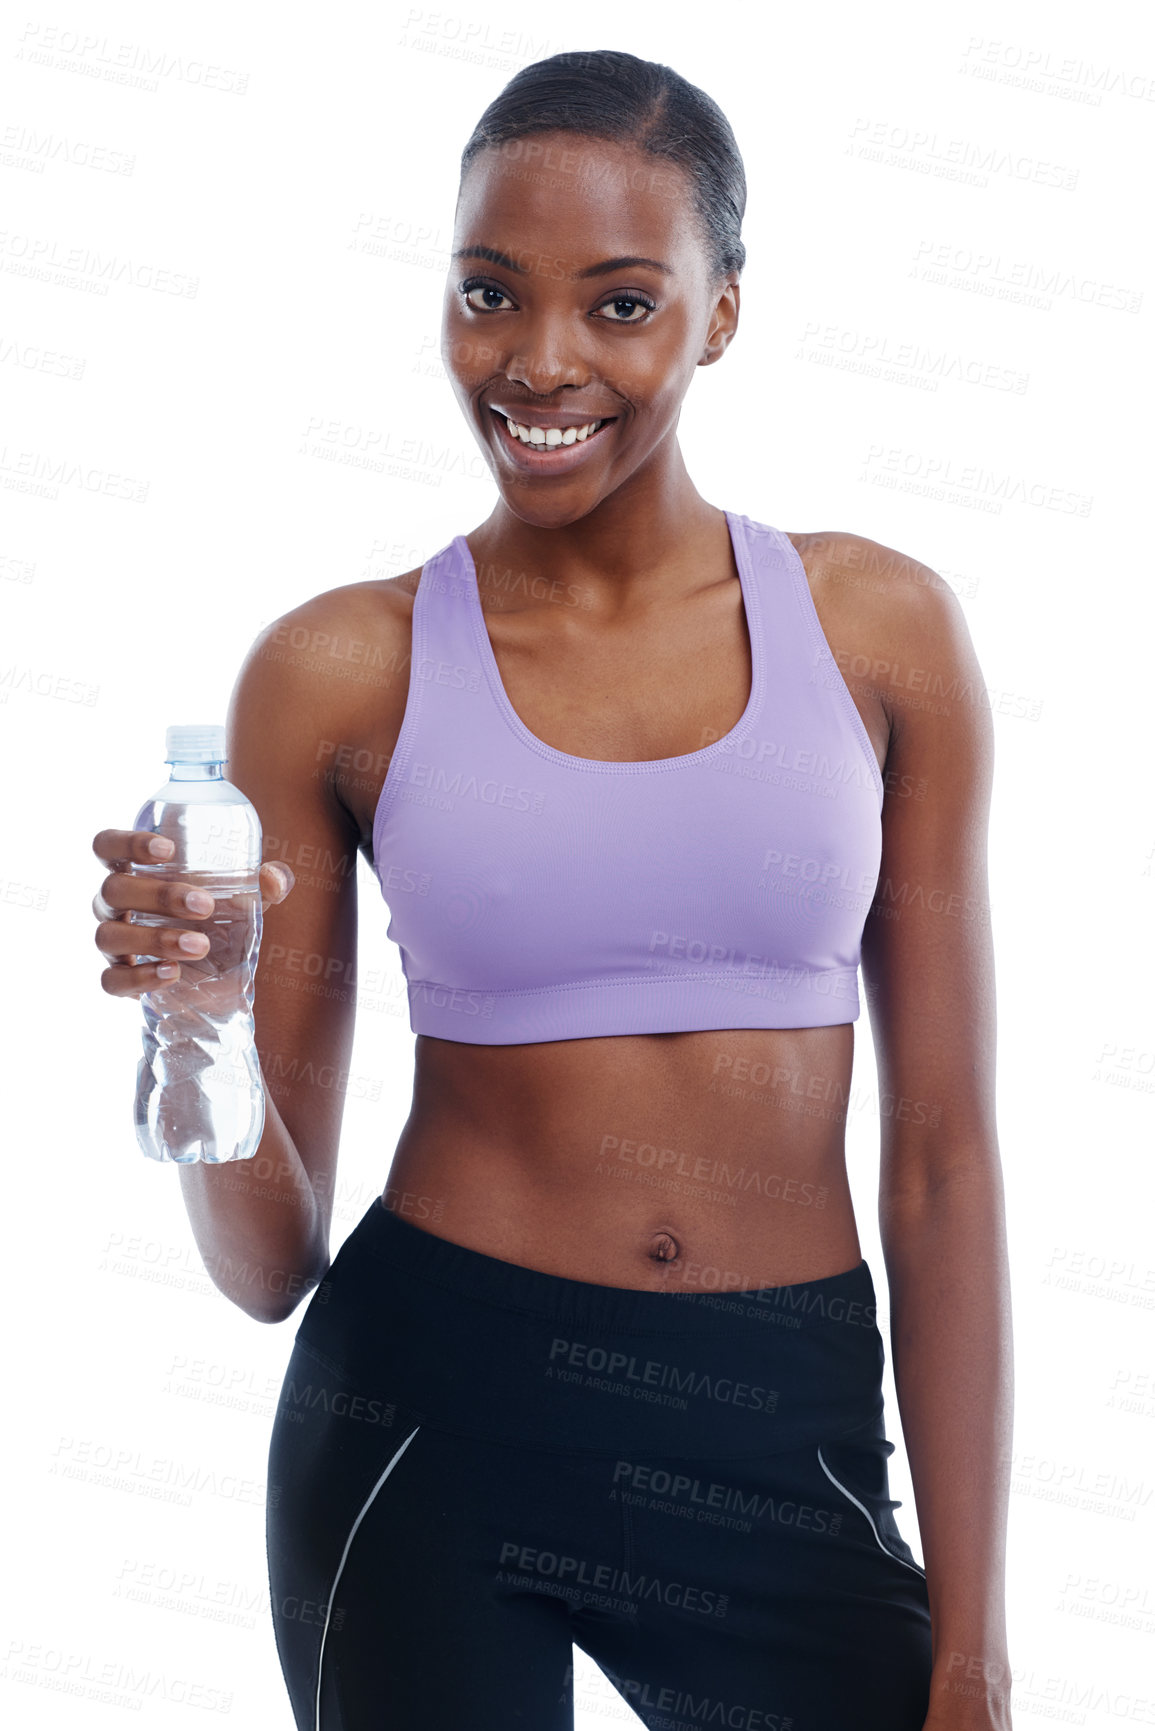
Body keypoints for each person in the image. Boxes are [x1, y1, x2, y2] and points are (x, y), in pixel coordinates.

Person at [92, 47, 1013, 1731]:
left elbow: (944, 1163)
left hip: (773, 1419)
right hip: (430, 1410)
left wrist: (969, 1650)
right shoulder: (340, 668)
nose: (540, 361)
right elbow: (269, 1258)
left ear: (721, 313)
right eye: (489, 293)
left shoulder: (880, 635)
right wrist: (193, 1026)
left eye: (620, 303)